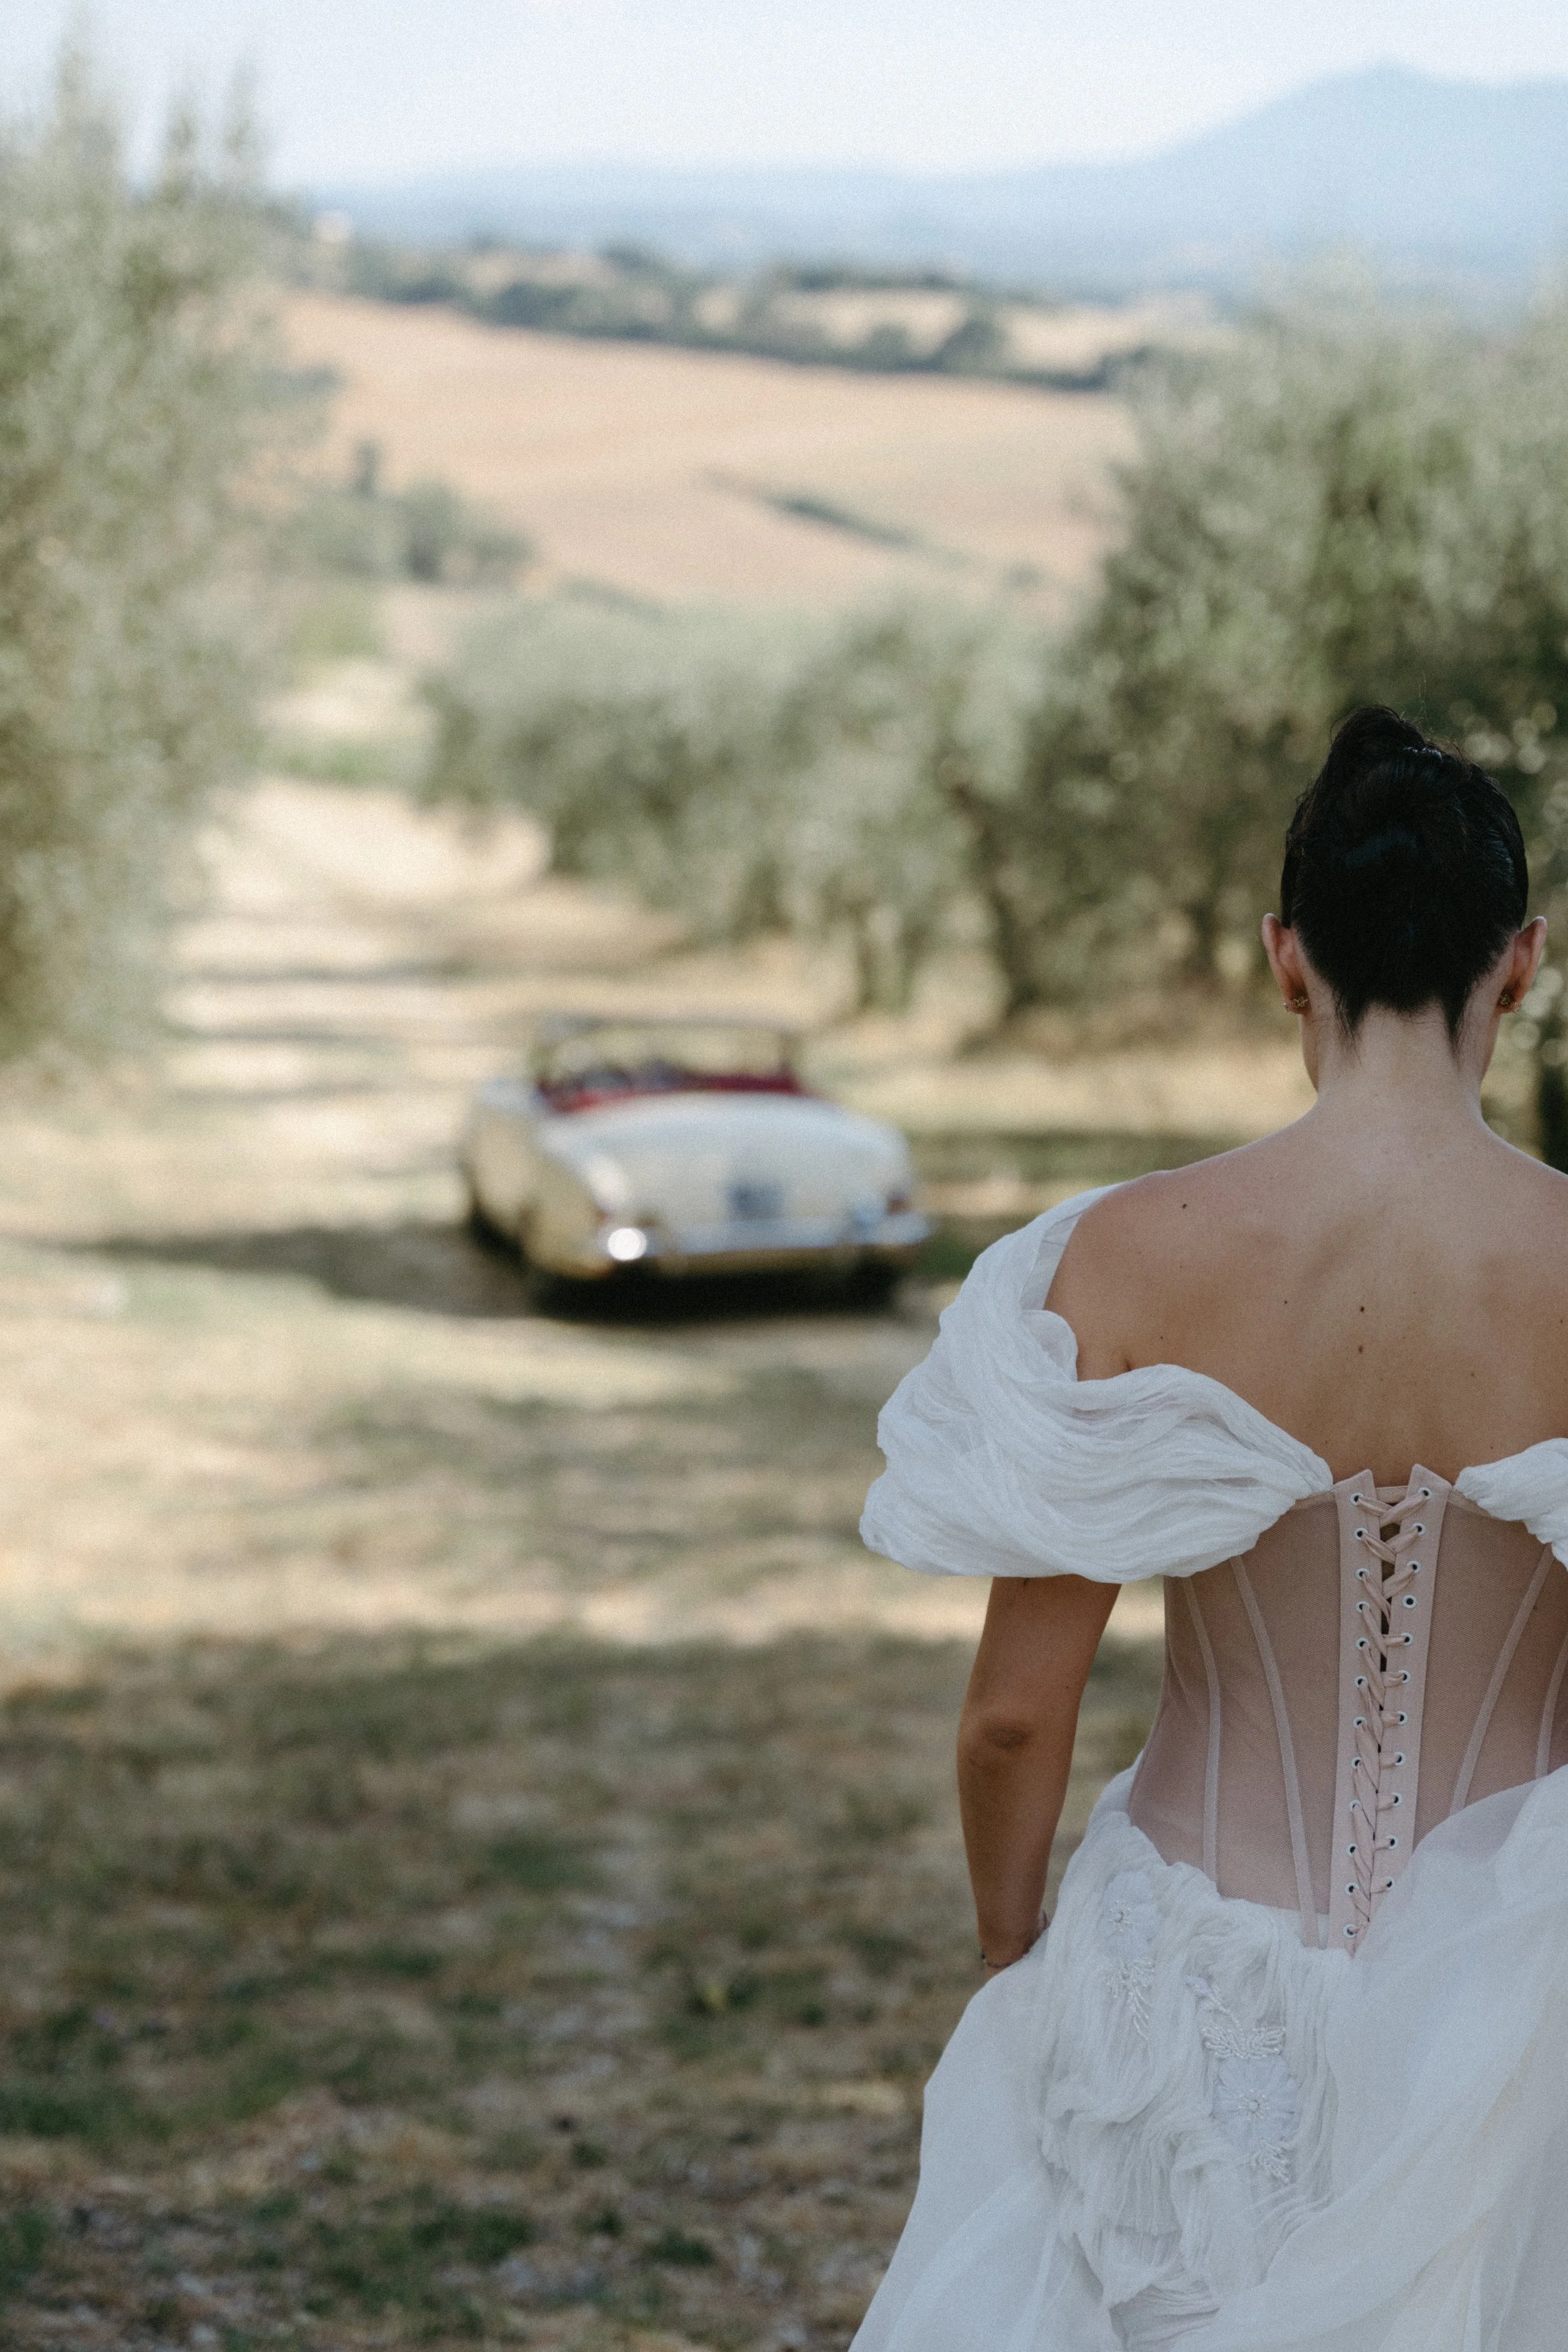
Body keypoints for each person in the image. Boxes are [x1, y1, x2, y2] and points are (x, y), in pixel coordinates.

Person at [852, 706, 1568, 2352]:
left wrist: (1012, 1943)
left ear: (1280, 957)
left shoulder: (1126, 1257)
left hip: (1186, 1985)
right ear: (1517, 962)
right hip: (1521, 2009)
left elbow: (1015, 1710)